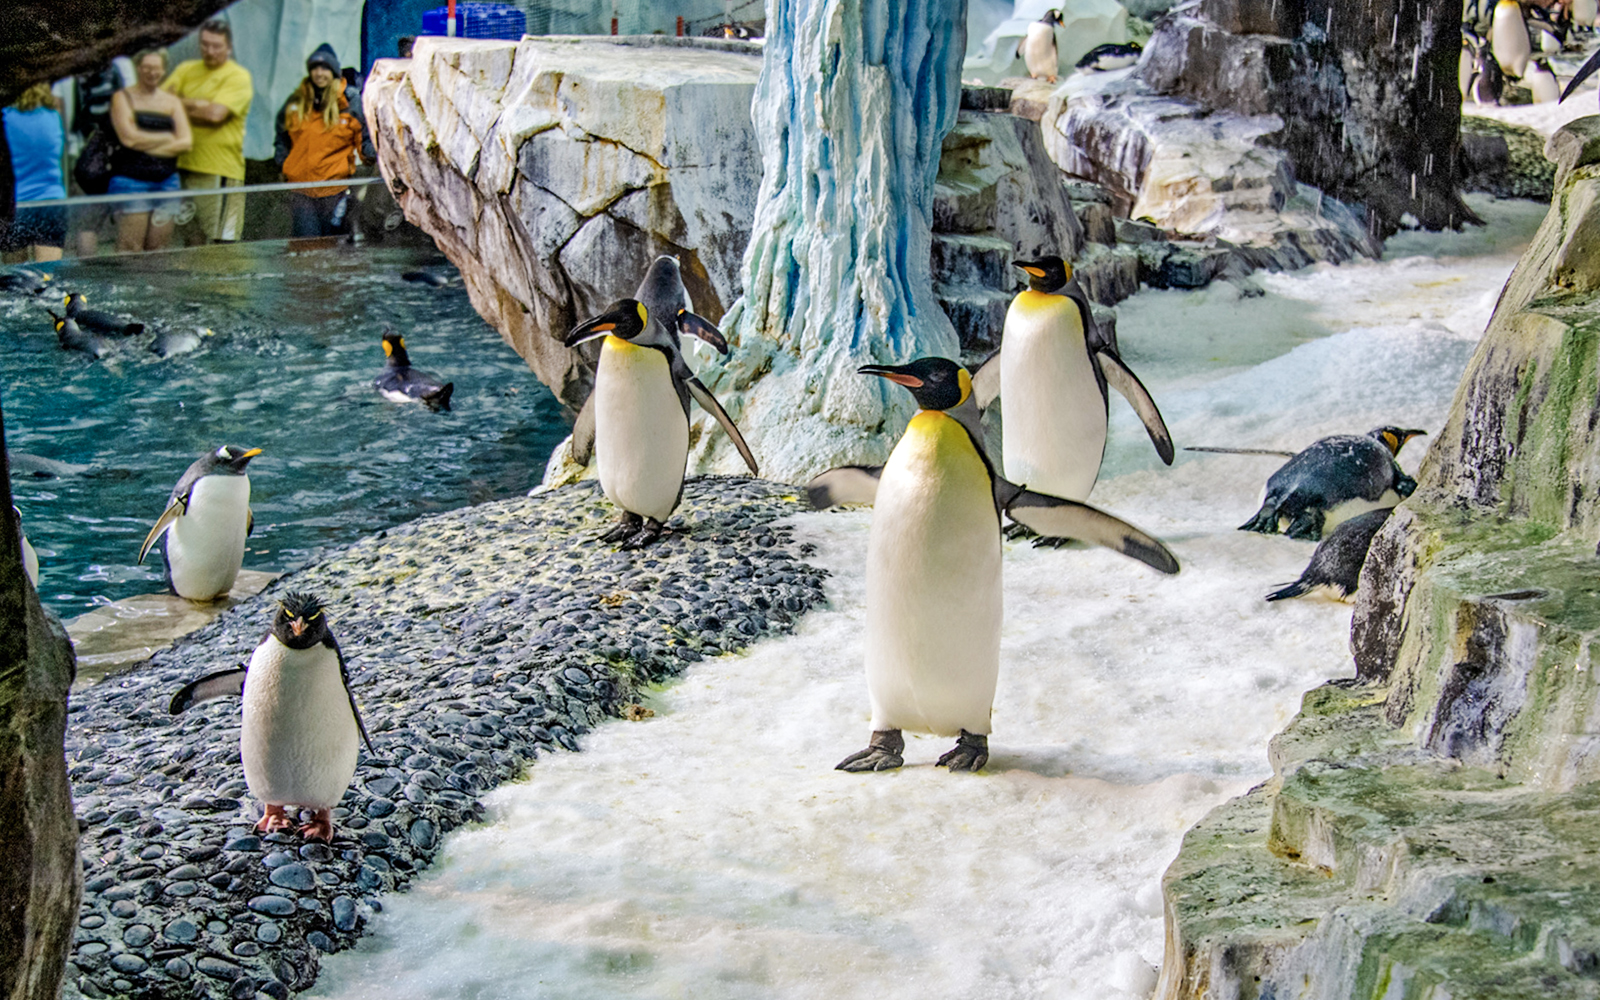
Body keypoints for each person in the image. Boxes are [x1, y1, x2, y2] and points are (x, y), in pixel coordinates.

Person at [163, 18, 252, 243]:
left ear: (229, 48)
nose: (209, 51)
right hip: (186, 168)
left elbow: (215, 115)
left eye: (216, 46)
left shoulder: (237, 77)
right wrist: (198, 104)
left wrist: (180, 104)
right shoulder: (186, 70)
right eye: (205, 44)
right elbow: (160, 104)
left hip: (220, 170)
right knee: (192, 238)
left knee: (220, 243)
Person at [274, 44, 375, 237]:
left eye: (325, 69)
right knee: (307, 245)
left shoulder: (349, 101)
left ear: (334, 72)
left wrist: (379, 154)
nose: (319, 73)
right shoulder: (297, 101)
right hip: (301, 190)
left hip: (335, 190)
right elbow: (282, 136)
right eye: (315, 68)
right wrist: (283, 163)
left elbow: (365, 142)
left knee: (334, 246)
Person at [107, 49, 191, 253]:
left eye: (156, 68)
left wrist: (145, 142)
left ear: (163, 70)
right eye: (147, 67)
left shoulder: (172, 101)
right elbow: (129, 139)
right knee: (130, 248)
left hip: (167, 181)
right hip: (131, 181)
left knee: (159, 249)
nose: (151, 72)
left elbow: (186, 142)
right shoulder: (122, 97)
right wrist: (165, 138)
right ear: (138, 68)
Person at [1, 83, 68, 263]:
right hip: (51, 203)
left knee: (15, 278)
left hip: (15, 207)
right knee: (49, 275)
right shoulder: (54, 116)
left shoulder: (5, 117)